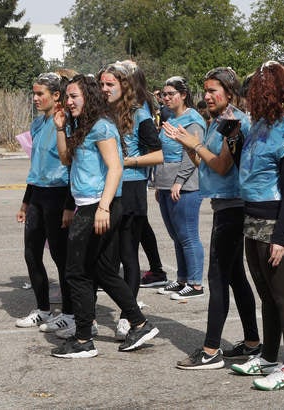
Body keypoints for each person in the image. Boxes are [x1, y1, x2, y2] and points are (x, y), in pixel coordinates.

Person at [51, 74, 158, 358]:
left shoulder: (102, 126)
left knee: (77, 272)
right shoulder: (82, 125)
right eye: (67, 97)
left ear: (89, 97)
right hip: (88, 204)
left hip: (97, 206)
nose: (69, 101)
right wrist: (60, 129)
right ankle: (139, 322)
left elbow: (116, 168)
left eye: (74, 96)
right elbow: (65, 159)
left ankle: (84, 340)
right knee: (102, 271)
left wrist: (103, 208)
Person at [163, 66, 262, 370]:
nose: (206, 96)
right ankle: (252, 343)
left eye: (212, 90)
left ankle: (210, 350)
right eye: (204, 91)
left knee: (217, 278)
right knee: (234, 276)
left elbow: (220, 166)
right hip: (223, 204)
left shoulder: (234, 122)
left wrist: (195, 144)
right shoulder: (218, 121)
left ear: (230, 93)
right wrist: (187, 144)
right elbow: (201, 161)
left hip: (234, 206)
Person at [225, 61, 284, 391]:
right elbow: (247, 169)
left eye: (251, 96)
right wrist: (232, 141)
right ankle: (270, 357)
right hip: (253, 218)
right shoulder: (258, 127)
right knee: (267, 295)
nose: (246, 102)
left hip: (277, 222)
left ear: (267, 96)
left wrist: (279, 238)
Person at [98, 62, 164, 340]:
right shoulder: (101, 115)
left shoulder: (139, 115)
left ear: (123, 86)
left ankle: (128, 316)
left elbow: (159, 155)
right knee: (106, 258)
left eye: (109, 84)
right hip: (108, 189)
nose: (104, 89)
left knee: (128, 253)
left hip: (133, 188)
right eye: (101, 85)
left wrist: (128, 162)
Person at [14, 72, 77, 333]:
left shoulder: (67, 124)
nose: (35, 98)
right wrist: (26, 202)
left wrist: (69, 205)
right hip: (38, 194)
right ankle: (42, 309)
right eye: (34, 93)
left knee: (61, 258)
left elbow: (74, 166)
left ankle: (71, 313)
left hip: (59, 194)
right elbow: (36, 165)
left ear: (56, 96)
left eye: (41, 94)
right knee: (31, 254)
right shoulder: (38, 124)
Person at [154, 76, 206, 300]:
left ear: (183, 95)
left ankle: (195, 284)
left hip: (185, 186)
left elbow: (192, 153)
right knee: (176, 235)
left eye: (170, 94)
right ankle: (183, 279)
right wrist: (160, 183)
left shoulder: (192, 120)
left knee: (188, 235)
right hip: (167, 183)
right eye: (164, 95)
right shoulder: (171, 118)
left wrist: (179, 181)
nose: (166, 98)